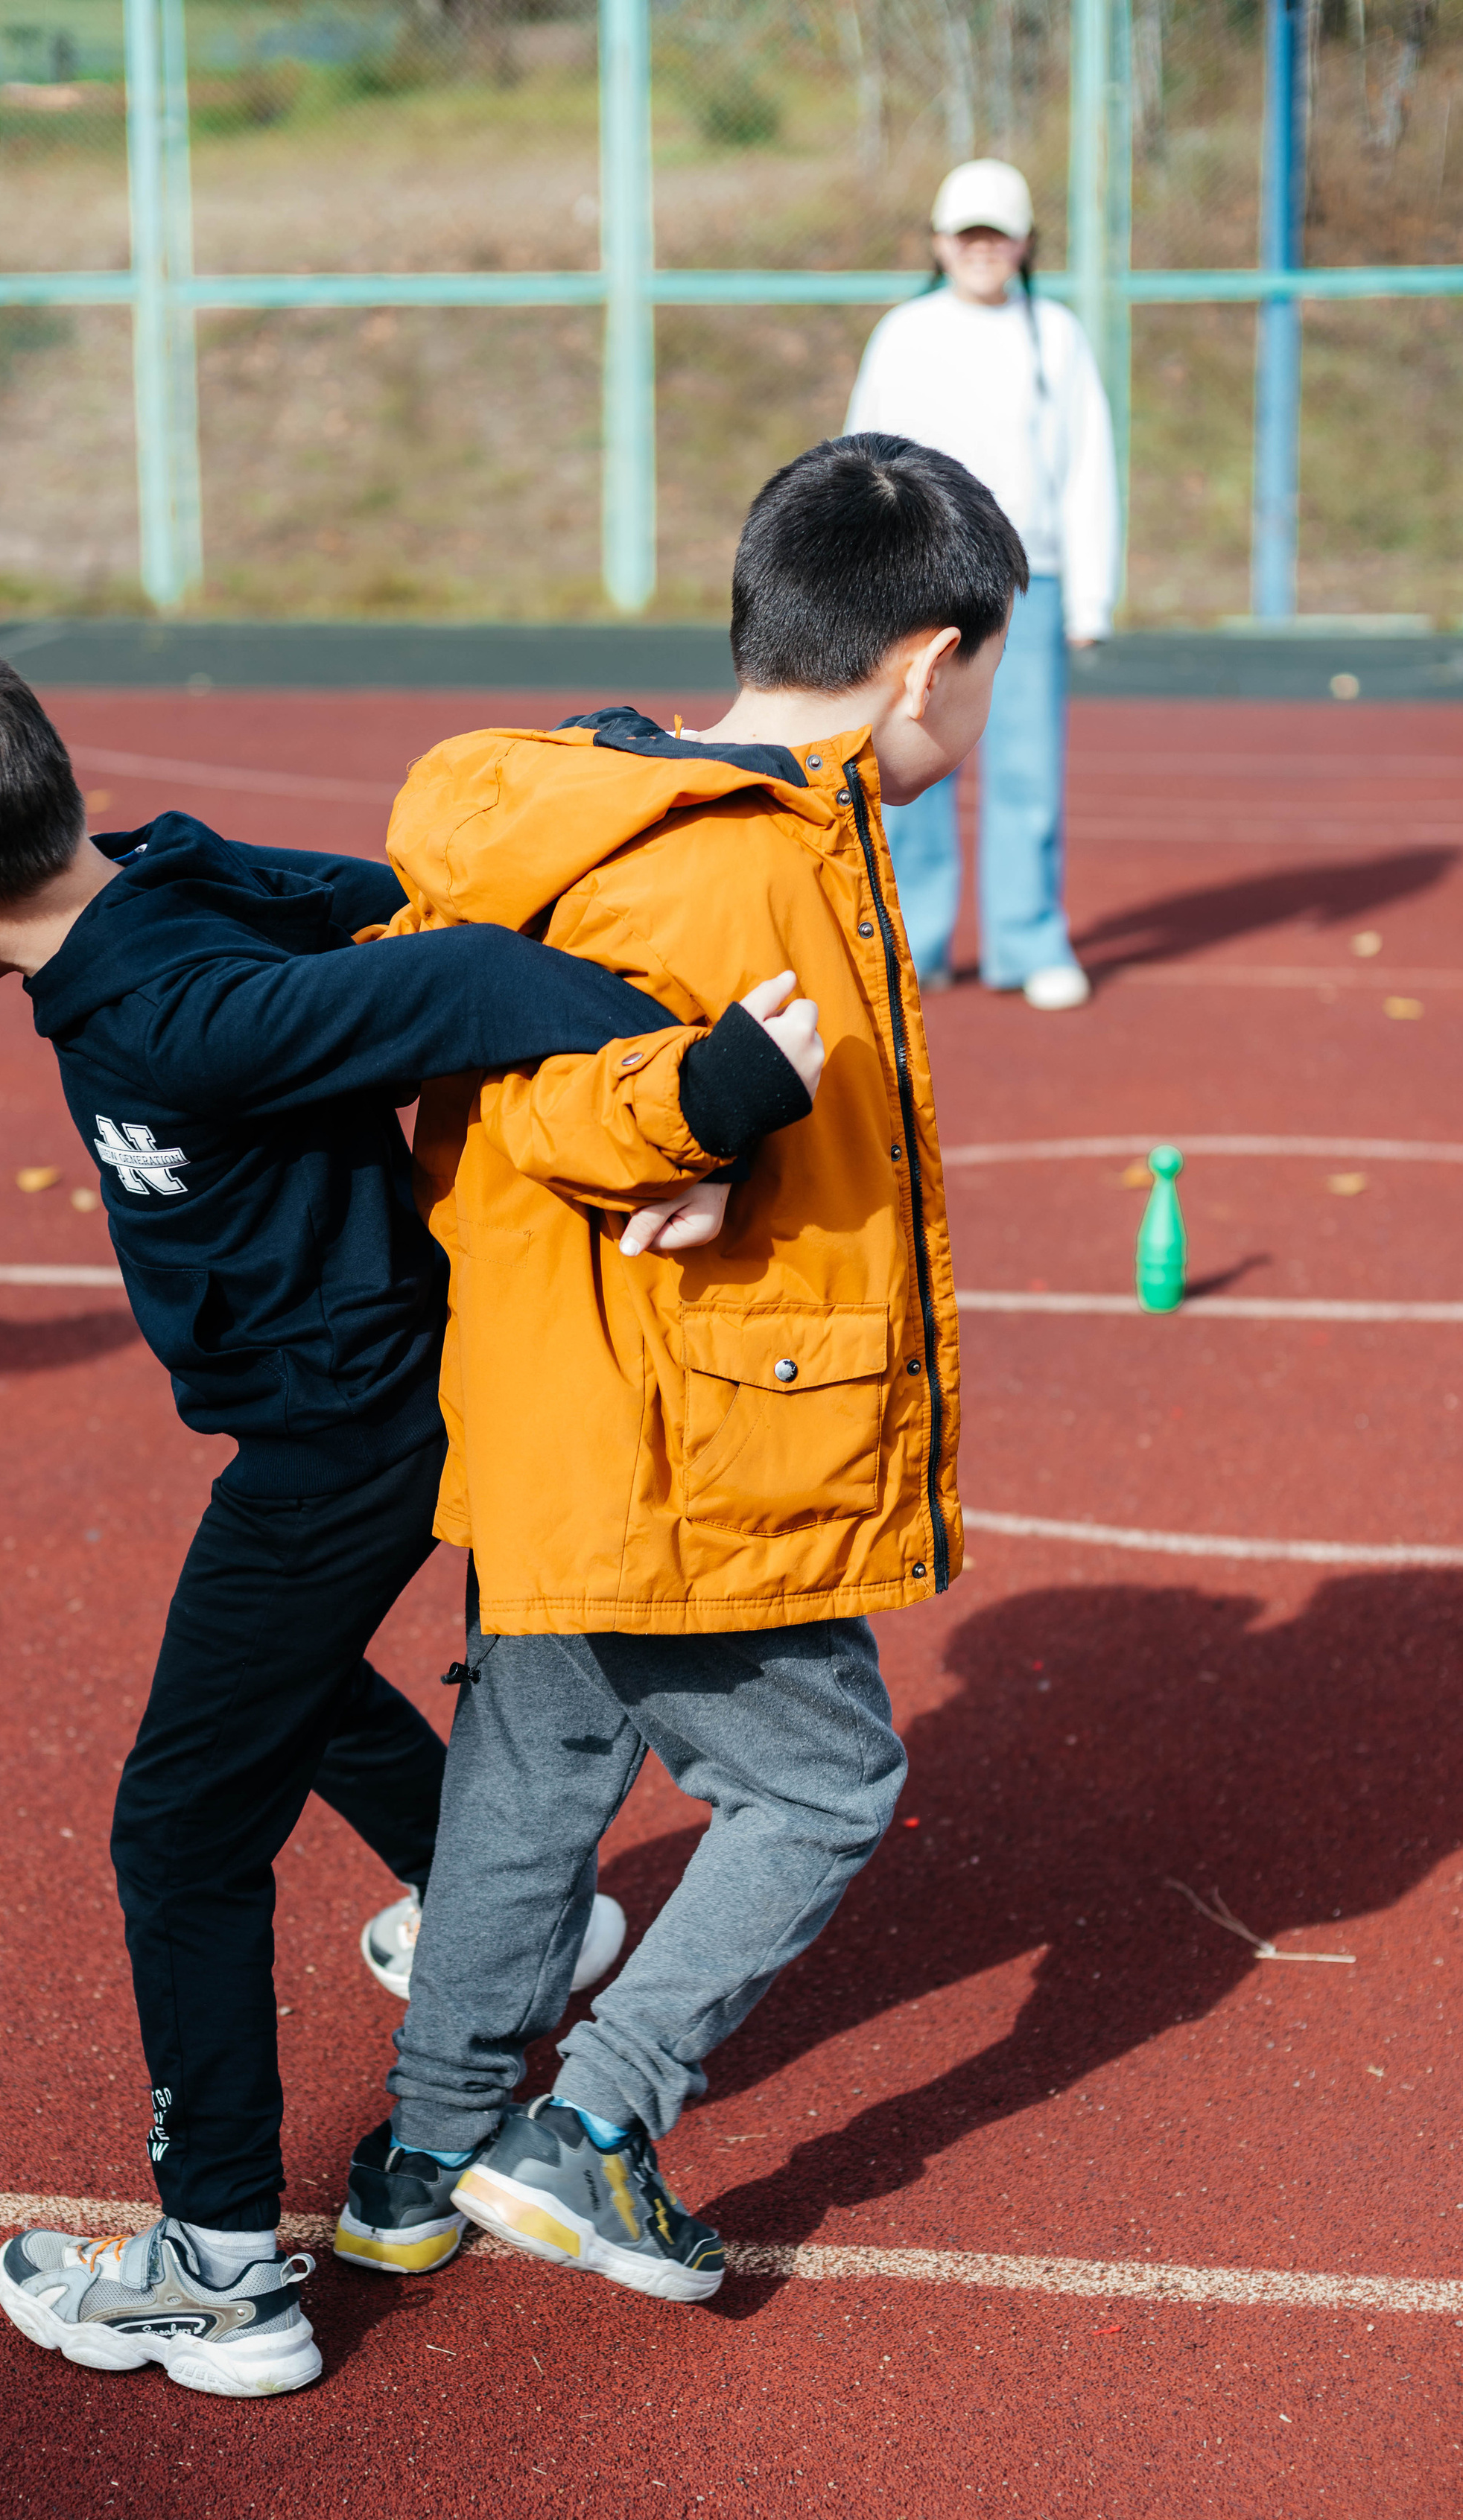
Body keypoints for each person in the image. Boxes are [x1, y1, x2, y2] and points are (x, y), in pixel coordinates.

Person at [0, 633, 822, 2396]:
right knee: (278, 1682)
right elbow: (397, 899)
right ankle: (493, 1902)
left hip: (341, 1436)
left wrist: (699, 1101)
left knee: (178, 1828)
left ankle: (218, 2264)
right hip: (337, 1418)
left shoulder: (177, 1010)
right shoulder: (165, 879)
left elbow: (470, 973)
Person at [333, 432, 1026, 2304]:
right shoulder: (728, 863)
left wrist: (696, 1136)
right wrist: (693, 1109)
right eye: (991, 676)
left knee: (529, 1777)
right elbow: (560, 1091)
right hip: (694, 1433)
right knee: (823, 1780)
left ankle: (428, 2142)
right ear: (926, 660)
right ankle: (599, 2117)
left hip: (585, 1410)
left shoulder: (650, 806)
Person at [842, 156, 1117, 1011]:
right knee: (911, 764)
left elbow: (1087, 467)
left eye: (998, 234)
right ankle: (912, 946)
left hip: (1024, 583)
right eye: (967, 234)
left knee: (1028, 767)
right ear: (938, 242)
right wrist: (858, 572)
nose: (982, 250)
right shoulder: (903, 332)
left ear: (1026, 242)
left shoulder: (1057, 335)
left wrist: (1091, 594)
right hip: (915, 580)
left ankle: (1028, 938)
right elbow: (861, 452)